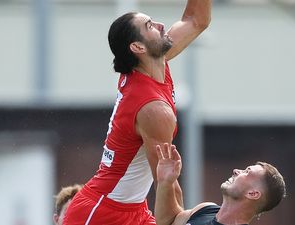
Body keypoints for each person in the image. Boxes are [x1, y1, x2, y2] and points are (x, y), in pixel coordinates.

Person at [63, 1, 211, 225]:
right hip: (102, 214)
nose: (161, 25)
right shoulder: (153, 109)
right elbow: (166, 181)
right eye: (150, 25)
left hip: (131, 207)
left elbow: (197, 20)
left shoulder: (154, 65)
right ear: (138, 47)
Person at [155, 144, 286, 225]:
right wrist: (165, 182)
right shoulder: (205, 209)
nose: (236, 171)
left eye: (247, 172)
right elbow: (167, 222)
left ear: (253, 193)